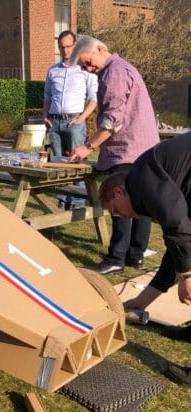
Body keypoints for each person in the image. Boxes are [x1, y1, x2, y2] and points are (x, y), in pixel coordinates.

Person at [98, 132, 190, 385]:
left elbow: (178, 225)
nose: (121, 217)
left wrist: (187, 276)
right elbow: (176, 248)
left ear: (119, 192)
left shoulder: (143, 179)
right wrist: (141, 301)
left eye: (115, 211)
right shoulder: (149, 183)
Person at [69, 36, 159, 274]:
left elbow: (112, 122)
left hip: (127, 150)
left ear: (100, 49)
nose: (88, 69)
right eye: (83, 67)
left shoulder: (114, 73)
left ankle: (116, 259)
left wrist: (87, 146)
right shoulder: (123, 68)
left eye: (88, 63)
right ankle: (136, 256)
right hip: (143, 148)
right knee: (141, 204)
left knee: (119, 203)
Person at [43, 30, 98, 209]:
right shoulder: (52, 70)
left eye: (68, 46)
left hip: (74, 122)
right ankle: (62, 199)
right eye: (62, 47)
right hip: (54, 122)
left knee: (76, 162)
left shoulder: (85, 69)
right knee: (58, 164)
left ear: (75, 46)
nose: (65, 51)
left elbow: (94, 98)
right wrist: (45, 116)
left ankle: (77, 201)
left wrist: (82, 118)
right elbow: (47, 96)